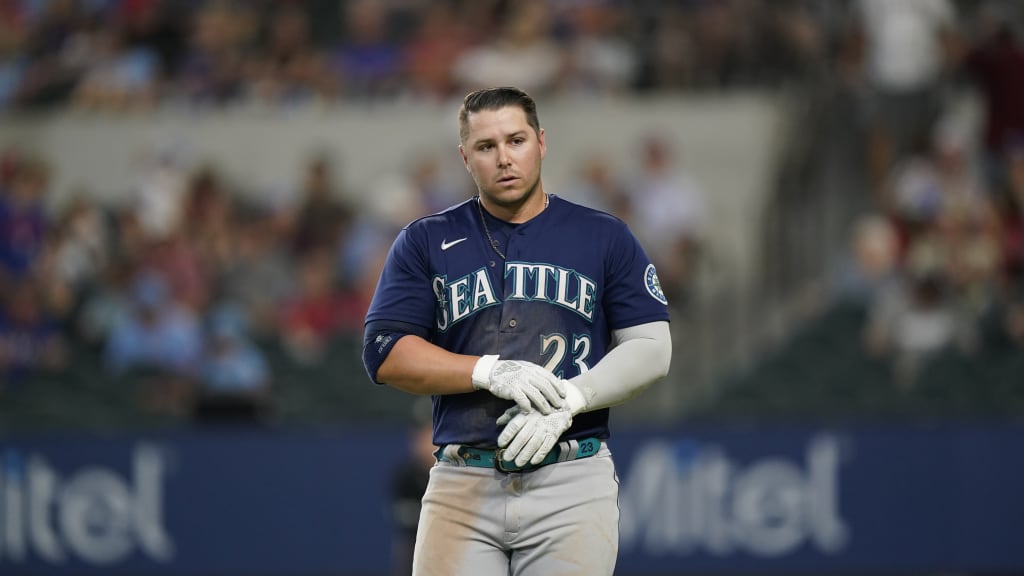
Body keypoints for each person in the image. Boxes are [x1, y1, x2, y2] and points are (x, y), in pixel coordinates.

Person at [362, 86, 672, 576]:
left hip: (571, 477)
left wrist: (573, 397)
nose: (504, 158)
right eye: (486, 146)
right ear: (465, 157)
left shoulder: (603, 235)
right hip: (462, 480)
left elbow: (652, 347)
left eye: (516, 141)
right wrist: (487, 371)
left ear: (541, 143)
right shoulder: (425, 239)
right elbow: (385, 351)